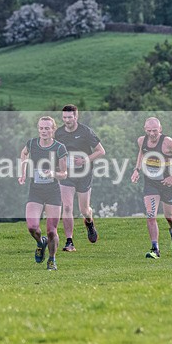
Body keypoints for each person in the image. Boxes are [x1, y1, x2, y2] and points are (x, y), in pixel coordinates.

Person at [131, 117, 172, 259]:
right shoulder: (141, 141)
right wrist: (137, 170)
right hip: (150, 183)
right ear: (145, 129)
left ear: (160, 129)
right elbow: (141, 153)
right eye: (149, 131)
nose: (152, 134)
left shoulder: (168, 142)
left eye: (155, 131)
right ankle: (155, 249)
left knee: (169, 217)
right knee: (150, 215)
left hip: (167, 184)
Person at [17, 116, 68, 270]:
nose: (43, 131)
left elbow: (64, 174)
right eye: (41, 128)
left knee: (52, 231)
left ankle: (52, 259)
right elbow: (24, 154)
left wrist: (53, 173)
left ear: (53, 130)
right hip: (36, 190)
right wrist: (23, 172)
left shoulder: (59, 148)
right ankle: (40, 243)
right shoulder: (32, 143)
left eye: (47, 128)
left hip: (52, 192)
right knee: (32, 227)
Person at [55, 104, 105, 252]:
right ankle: (69, 242)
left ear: (76, 117)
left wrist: (84, 160)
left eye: (70, 117)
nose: (67, 120)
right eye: (64, 117)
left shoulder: (85, 132)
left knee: (84, 209)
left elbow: (101, 151)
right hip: (67, 175)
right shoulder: (59, 133)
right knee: (67, 206)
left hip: (84, 174)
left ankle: (89, 222)